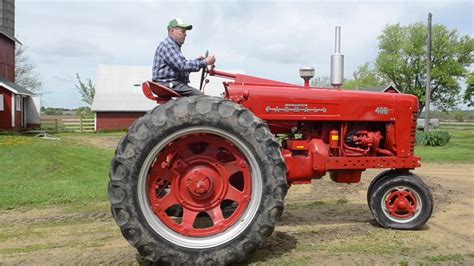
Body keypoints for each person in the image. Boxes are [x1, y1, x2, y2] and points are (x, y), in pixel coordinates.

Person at [152, 18, 216, 96]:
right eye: (182, 31)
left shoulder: (173, 46)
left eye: (185, 32)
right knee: (201, 98)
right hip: (167, 83)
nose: (185, 34)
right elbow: (183, 65)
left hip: (172, 83)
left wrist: (198, 61)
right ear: (171, 31)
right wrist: (205, 62)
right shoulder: (168, 45)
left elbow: (180, 68)